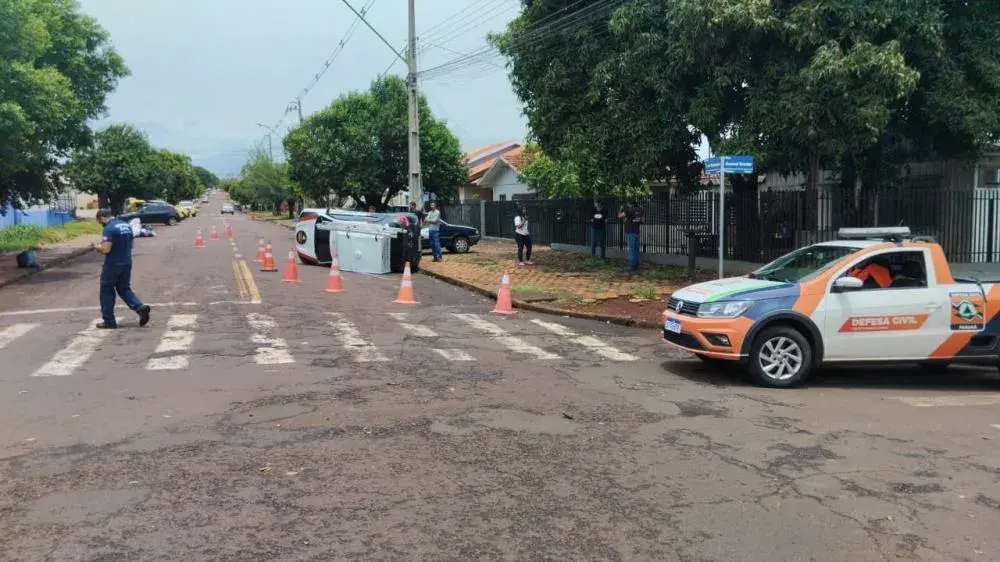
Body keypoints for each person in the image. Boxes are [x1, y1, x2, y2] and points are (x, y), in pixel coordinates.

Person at [93, 208, 151, 329]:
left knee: (107, 290)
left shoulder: (109, 228)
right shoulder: (126, 225)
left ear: (103, 218)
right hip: (127, 261)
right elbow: (132, 245)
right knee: (124, 288)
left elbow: (106, 249)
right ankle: (140, 308)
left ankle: (109, 321)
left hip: (113, 264)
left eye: (100, 221)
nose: (101, 224)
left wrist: (96, 247)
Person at [618, 202, 643, 273]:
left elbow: (619, 216)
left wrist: (620, 209)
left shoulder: (629, 210)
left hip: (630, 232)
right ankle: (636, 265)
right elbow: (642, 220)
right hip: (637, 232)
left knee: (631, 249)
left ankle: (632, 266)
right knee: (636, 249)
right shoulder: (640, 210)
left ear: (629, 204)